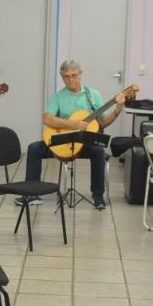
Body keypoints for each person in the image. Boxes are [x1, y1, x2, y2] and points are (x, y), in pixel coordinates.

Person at [24, 60, 125, 210]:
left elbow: (103, 123)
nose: (70, 79)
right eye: (66, 76)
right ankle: (31, 194)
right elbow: (47, 119)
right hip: (63, 142)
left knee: (98, 152)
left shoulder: (93, 95)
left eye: (74, 75)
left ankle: (98, 196)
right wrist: (72, 124)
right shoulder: (58, 97)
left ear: (80, 75)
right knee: (34, 148)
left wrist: (117, 110)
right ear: (62, 77)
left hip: (85, 143)